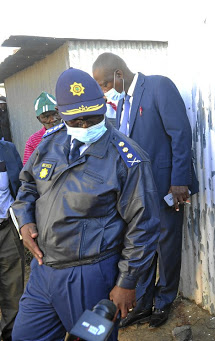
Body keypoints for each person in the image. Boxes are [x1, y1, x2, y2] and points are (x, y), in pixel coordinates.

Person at [11, 68, 160, 341]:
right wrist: (24, 220)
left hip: (89, 276)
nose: (85, 126)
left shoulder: (127, 158)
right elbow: (28, 186)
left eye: (93, 117)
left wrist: (127, 283)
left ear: (103, 106)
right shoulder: (49, 145)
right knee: (26, 336)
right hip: (43, 271)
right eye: (76, 120)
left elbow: (144, 226)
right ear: (62, 115)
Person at [92, 53, 199, 329]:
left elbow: (180, 133)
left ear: (118, 73)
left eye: (104, 84)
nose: (104, 91)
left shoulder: (158, 86)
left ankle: (163, 302)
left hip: (166, 187)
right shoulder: (124, 102)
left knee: (168, 245)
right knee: (143, 246)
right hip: (138, 191)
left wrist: (180, 181)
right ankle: (142, 302)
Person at [0, 141, 24, 341]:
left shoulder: (7, 149)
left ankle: (10, 336)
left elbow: (22, 187)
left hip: (6, 229)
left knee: (13, 289)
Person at [22, 91, 61, 165]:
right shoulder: (33, 141)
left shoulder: (72, 132)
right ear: (39, 119)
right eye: (46, 117)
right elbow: (28, 170)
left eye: (55, 114)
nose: (52, 119)